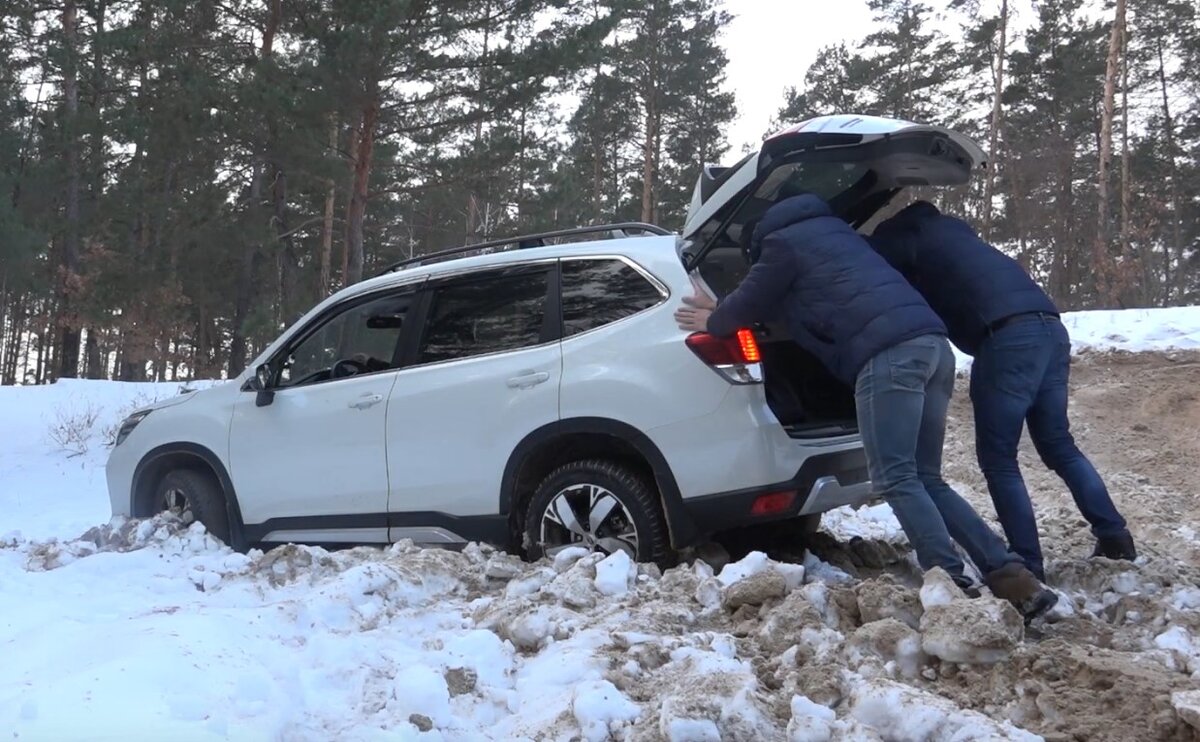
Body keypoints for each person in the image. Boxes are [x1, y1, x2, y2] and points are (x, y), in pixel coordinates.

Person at [675, 192, 1057, 620]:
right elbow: (806, 307)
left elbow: (746, 303)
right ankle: (1013, 580)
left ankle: (949, 584)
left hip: (889, 356)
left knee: (895, 477)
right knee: (926, 477)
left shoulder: (781, 244)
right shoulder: (839, 236)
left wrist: (715, 317)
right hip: (933, 347)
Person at [867, 200, 1136, 582]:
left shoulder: (905, 240)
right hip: (1051, 329)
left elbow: (868, 266)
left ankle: (1028, 561)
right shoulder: (959, 235)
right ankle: (1114, 535)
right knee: (1060, 444)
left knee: (999, 459)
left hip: (1006, 337)